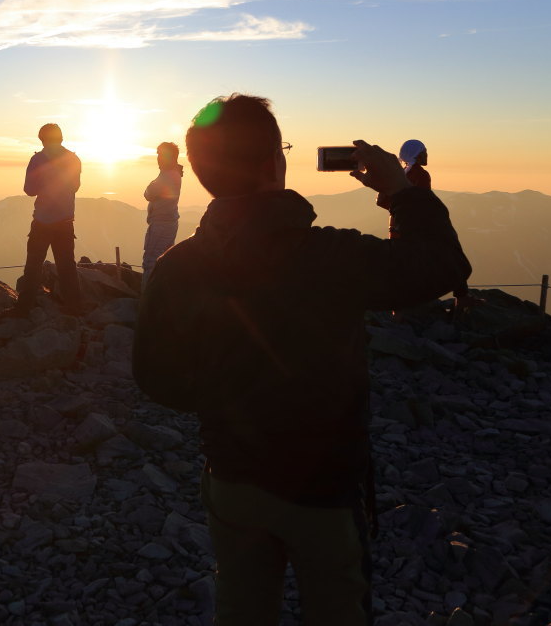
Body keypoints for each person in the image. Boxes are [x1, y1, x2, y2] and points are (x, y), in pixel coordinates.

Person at [133, 95, 471, 625]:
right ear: (274, 161)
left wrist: (226, 401)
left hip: (231, 477)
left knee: (242, 607)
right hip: (322, 489)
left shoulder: (177, 268)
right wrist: (400, 191)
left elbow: (157, 378)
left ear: (202, 174)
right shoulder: (329, 258)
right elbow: (440, 266)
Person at [378, 139, 475, 311]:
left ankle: (397, 311)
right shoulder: (421, 175)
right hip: (421, 227)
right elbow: (424, 202)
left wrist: (400, 211)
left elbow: (383, 201)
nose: (427, 155)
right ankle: (462, 297)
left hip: (396, 226)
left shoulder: (400, 173)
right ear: (417, 154)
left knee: (401, 266)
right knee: (450, 252)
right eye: (424, 152)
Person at [16, 123, 84, 314]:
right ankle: (74, 307)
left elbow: (29, 190)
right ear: (61, 138)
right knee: (67, 266)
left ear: (42, 139)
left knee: (33, 266)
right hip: (65, 221)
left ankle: (23, 308)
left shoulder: (38, 159)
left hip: (43, 220)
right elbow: (75, 186)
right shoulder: (73, 159)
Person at [141, 142, 184, 282]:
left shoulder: (167, 176)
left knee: (150, 262)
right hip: (168, 223)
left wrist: (152, 184)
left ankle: (147, 300)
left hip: (160, 224)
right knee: (165, 262)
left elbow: (148, 193)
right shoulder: (173, 174)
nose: (158, 158)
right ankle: (161, 298)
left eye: (160, 155)